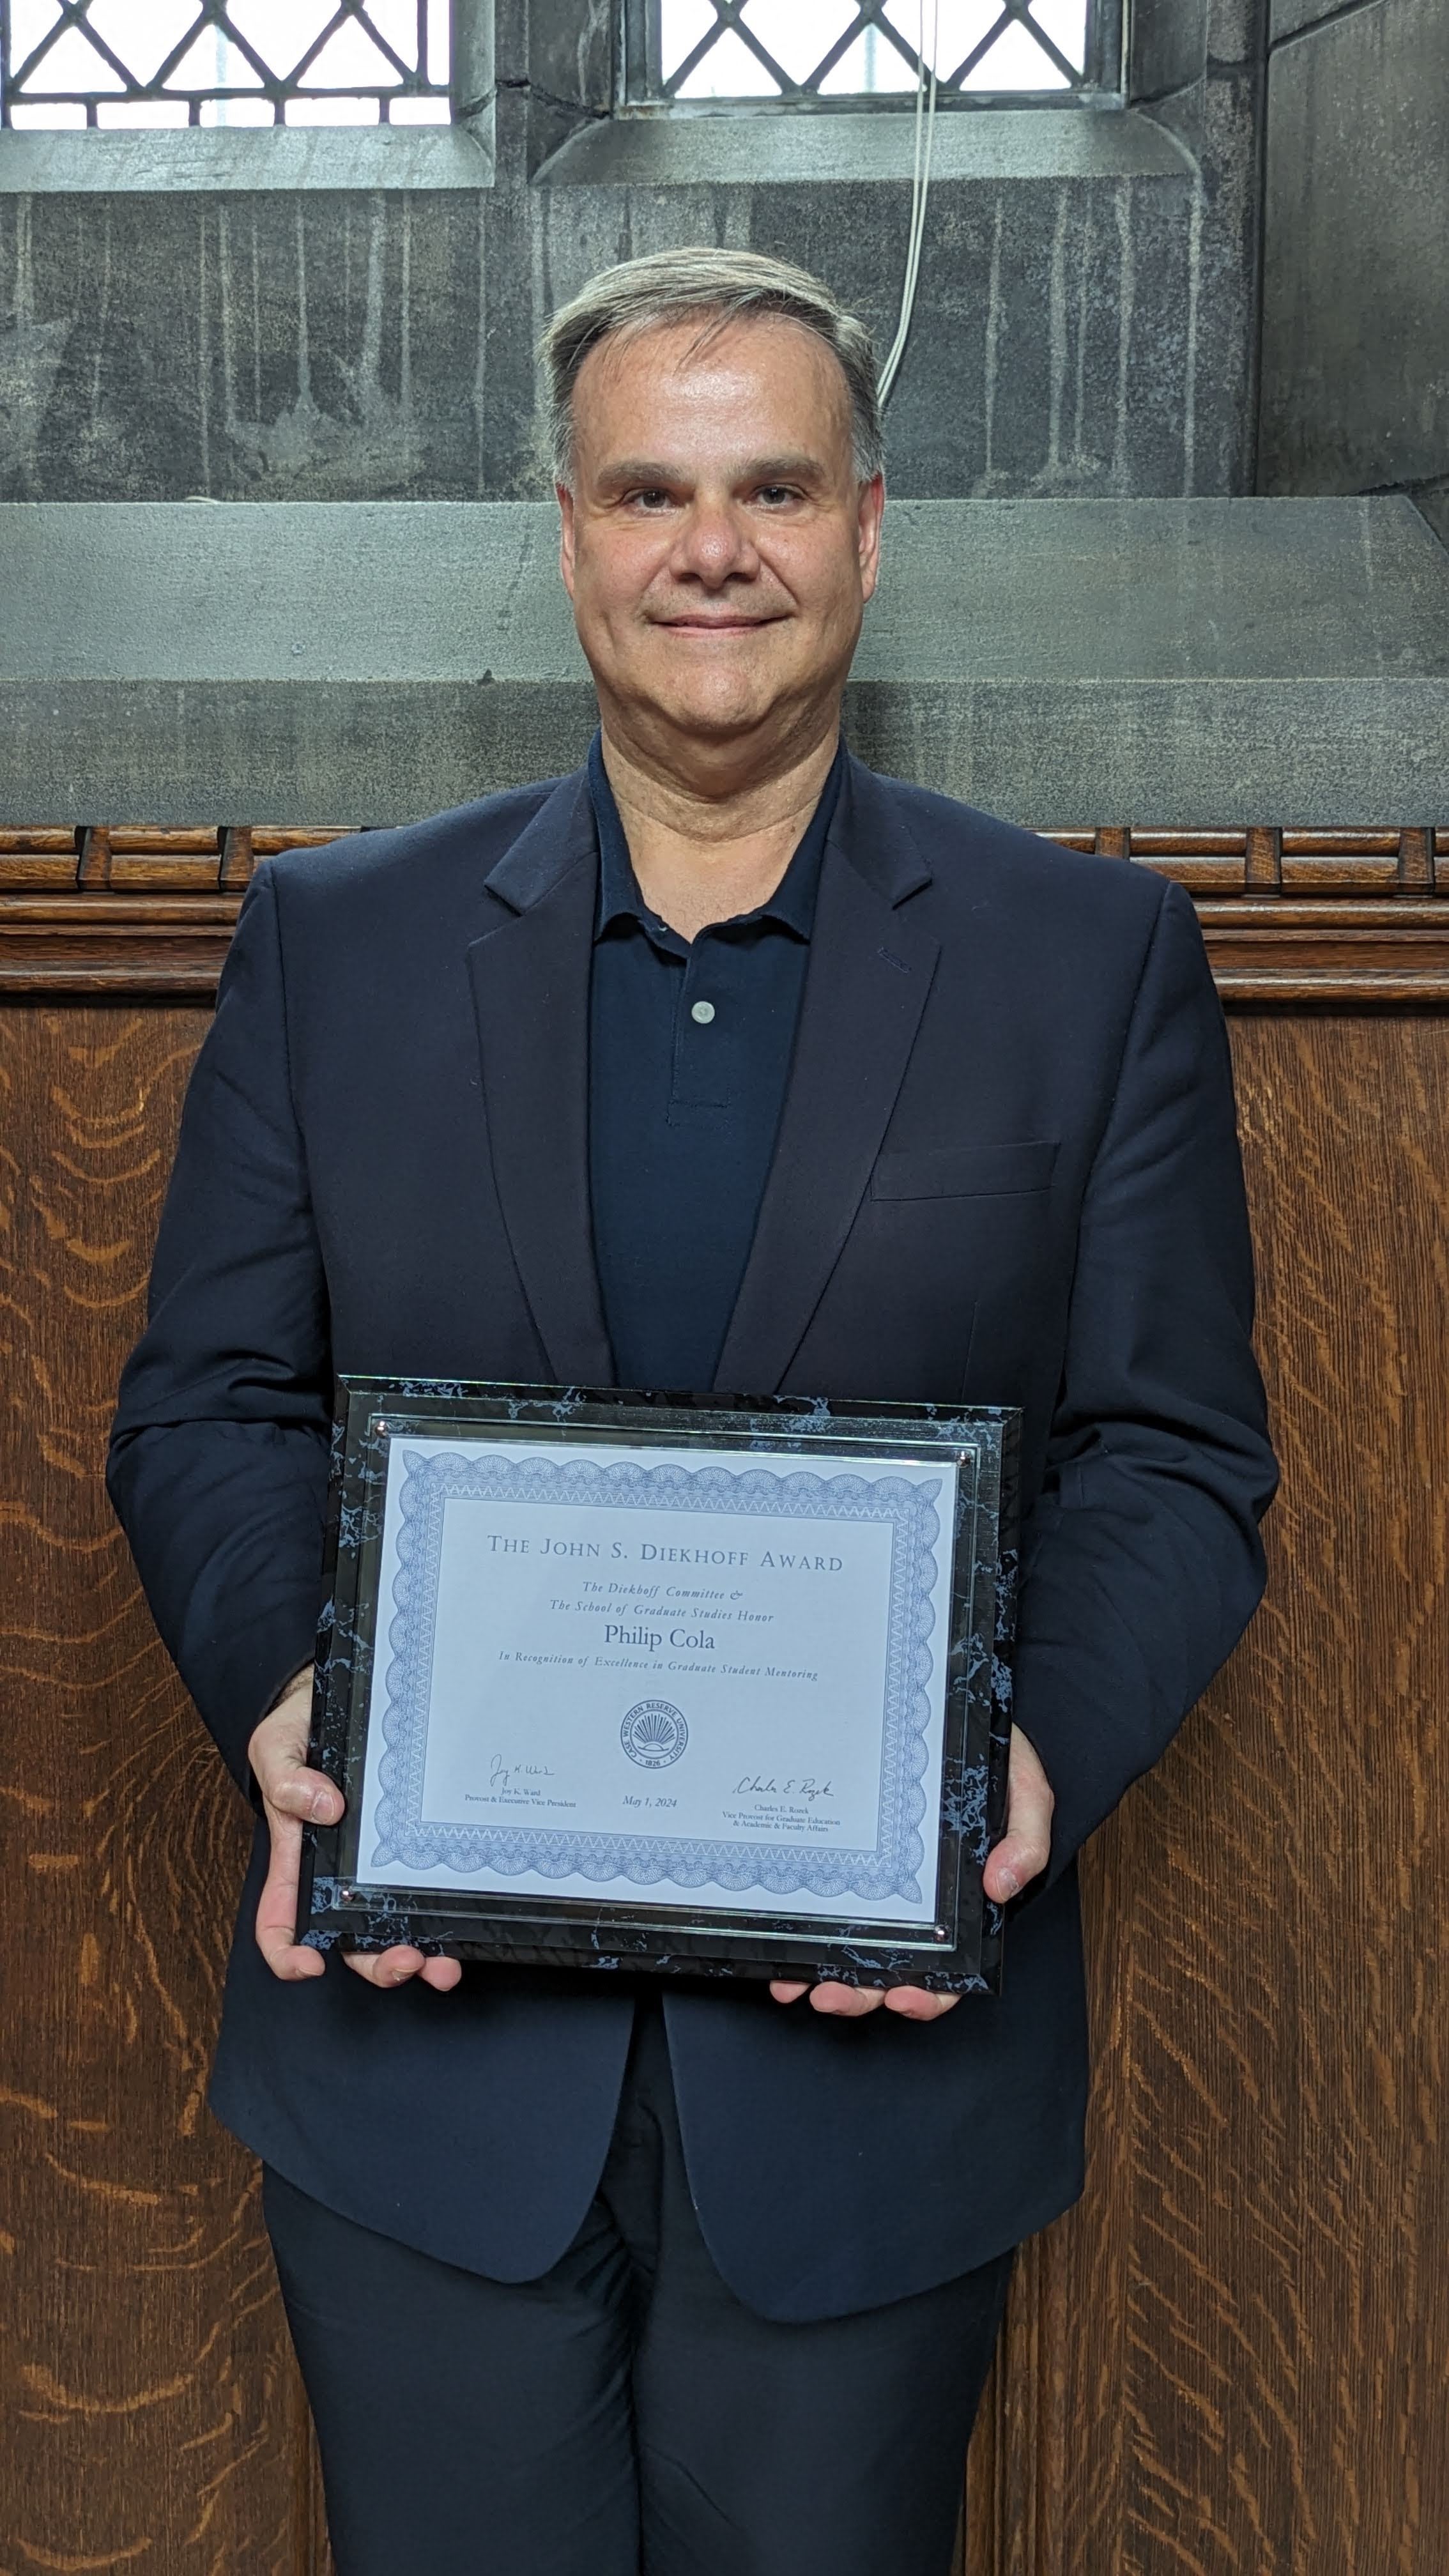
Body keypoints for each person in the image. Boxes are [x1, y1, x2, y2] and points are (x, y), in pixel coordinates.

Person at [108, 247, 1277, 2576]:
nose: (708, 547)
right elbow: (208, 1404)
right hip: (418, 2063)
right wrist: (291, 1703)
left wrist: (1012, 1760)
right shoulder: (334, 941)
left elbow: (1170, 1454)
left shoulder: (1086, 959)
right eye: (649, 488)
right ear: (568, 534)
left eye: (769, 487)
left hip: (864, 2077)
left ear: (868, 523)